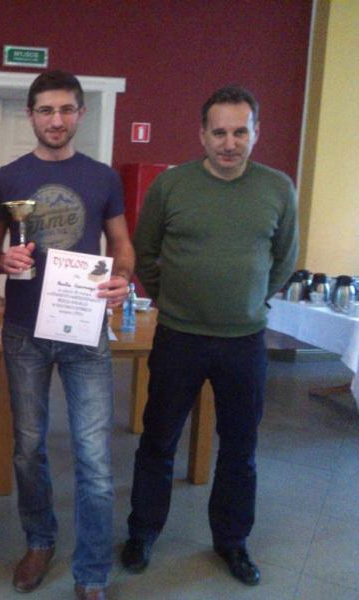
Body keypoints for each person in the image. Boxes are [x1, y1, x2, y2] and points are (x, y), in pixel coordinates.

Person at [122, 85, 298, 586]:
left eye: (240, 132)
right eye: (219, 132)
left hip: (245, 341)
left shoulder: (278, 188)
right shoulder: (172, 186)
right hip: (179, 336)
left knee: (240, 448)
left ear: (256, 133)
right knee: (158, 440)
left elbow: (284, 260)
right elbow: (145, 250)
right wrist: (168, 299)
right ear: (202, 134)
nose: (229, 143)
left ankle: (232, 541)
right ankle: (143, 532)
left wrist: (249, 300)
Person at [0, 70, 134, 600]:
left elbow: (121, 242)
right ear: (31, 115)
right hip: (25, 330)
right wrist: (2, 259)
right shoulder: (6, 178)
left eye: (66, 109)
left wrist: (123, 277)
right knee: (28, 449)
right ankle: (40, 540)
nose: (56, 120)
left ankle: (91, 569)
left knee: (93, 455)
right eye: (46, 110)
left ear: (81, 114)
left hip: (83, 328)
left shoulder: (103, 177)